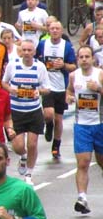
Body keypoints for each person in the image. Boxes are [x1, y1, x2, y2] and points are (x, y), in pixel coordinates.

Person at [1, 40, 51, 185]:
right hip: (16, 111)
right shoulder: (13, 65)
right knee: (17, 146)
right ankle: (23, 157)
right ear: (20, 51)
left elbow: (47, 88)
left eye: (30, 50)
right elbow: (4, 82)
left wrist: (38, 92)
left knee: (32, 144)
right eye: (24, 50)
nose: (27, 53)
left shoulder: (39, 67)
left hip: (33, 110)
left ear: (34, 52)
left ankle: (29, 174)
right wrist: (10, 90)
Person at [66, 45, 103, 214]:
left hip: (100, 124)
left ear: (92, 59)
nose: (84, 60)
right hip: (81, 125)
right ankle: (82, 198)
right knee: (83, 162)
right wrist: (69, 97)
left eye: (87, 56)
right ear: (78, 59)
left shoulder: (100, 74)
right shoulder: (74, 76)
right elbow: (69, 91)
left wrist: (99, 89)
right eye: (81, 57)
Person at [36, 19, 76, 159]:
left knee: (59, 119)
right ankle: (48, 125)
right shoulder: (42, 44)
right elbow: (36, 61)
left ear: (61, 31)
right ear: (48, 30)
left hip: (61, 87)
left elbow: (73, 66)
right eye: (51, 28)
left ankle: (56, 146)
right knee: (48, 114)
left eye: (57, 28)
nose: (54, 31)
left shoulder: (67, 46)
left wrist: (63, 65)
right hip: (47, 86)